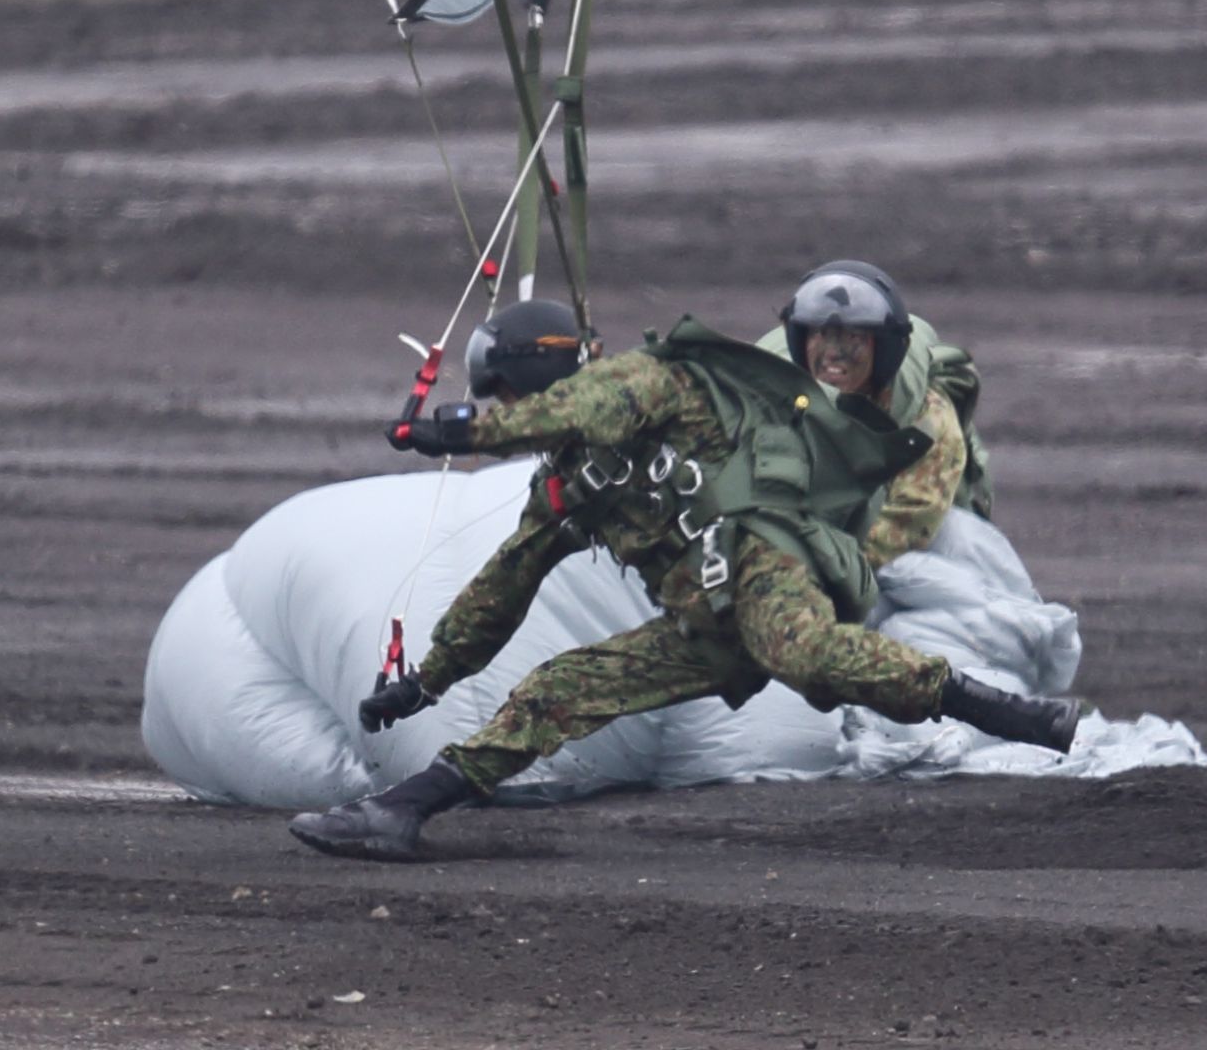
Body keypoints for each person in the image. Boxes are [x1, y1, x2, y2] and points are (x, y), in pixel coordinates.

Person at [289, 285, 1078, 863]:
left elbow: (587, 410)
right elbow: (501, 590)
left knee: (799, 653)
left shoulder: (647, 381)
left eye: (498, 395)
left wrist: (463, 430)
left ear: (524, 379)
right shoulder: (562, 490)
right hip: (702, 626)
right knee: (557, 690)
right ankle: (402, 812)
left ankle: (1003, 710)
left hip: (762, 557)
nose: (503, 416)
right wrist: (424, 682)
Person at [759, 259, 994, 570]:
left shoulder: (927, 421)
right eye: (820, 335)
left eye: (853, 338)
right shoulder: (767, 394)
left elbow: (896, 536)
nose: (833, 352)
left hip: (915, 538)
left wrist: (802, 577)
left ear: (883, 349)